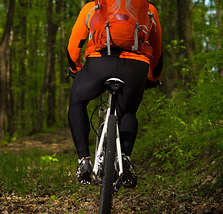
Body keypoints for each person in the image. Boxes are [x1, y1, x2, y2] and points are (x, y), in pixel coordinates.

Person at [66, 0, 163, 187]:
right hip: (136, 67)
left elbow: (74, 46)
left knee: (77, 101)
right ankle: (125, 160)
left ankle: (83, 161)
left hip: (99, 63)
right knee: (128, 112)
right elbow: (157, 51)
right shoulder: (149, 9)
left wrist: (76, 69)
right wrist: (153, 77)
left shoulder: (93, 6)